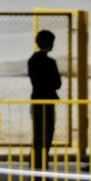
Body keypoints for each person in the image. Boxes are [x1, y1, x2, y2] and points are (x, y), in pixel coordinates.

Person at [27, 29, 61, 172]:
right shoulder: (50, 62)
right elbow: (57, 84)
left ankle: (35, 168)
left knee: (37, 136)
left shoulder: (32, 61)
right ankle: (42, 170)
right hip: (48, 101)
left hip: (36, 100)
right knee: (46, 137)